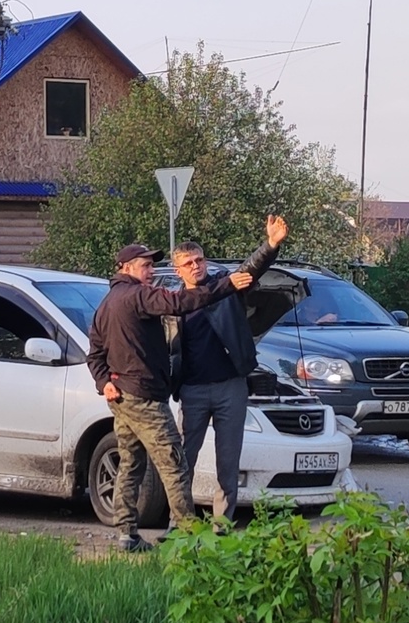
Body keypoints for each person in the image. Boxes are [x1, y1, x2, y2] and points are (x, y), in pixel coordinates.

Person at [88, 244, 254, 552]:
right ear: (126, 268)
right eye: (145, 266)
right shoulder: (138, 296)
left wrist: (103, 382)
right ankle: (187, 537)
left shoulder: (107, 303)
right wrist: (227, 284)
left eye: (152, 266)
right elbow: (181, 302)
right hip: (146, 397)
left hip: (121, 397)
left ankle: (127, 534)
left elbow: (94, 352)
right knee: (175, 465)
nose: (151, 271)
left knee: (131, 463)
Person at [168, 215, 288, 529]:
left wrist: (271, 244)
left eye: (199, 259)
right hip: (192, 391)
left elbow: (250, 269)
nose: (196, 266)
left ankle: (222, 527)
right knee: (183, 461)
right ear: (178, 271)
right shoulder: (174, 302)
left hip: (230, 388)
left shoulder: (226, 286)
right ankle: (179, 524)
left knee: (228, 462)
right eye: (188, 263)